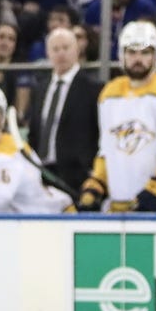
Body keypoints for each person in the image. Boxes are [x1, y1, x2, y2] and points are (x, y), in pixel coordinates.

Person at [78, 21, 156, 213]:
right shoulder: (109, 93)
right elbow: (107, 151)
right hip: (121, 208)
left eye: (145, 53)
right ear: (121, 54)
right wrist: (96, 185)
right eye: (132, 52)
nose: (138, 59)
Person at [27, 28, 103, 195]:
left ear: (77, 50)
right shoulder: (40, 89)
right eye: (55, 49)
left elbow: (98, 131)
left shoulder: (92, 89)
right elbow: (35, 132)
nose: (61, 53)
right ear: (48, 53)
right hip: (43, 174)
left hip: (78, 176)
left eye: (66, 48)